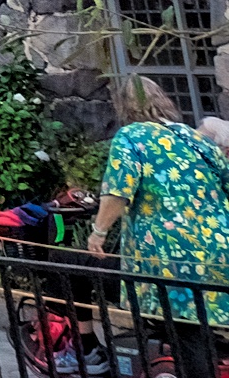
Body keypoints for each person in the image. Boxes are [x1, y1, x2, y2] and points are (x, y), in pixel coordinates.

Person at [90, 76, 229, 378]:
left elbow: (118, 191)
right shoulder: (194, 138)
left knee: (187, 332)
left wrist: (98, 232)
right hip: (220, 247)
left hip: (172, 254)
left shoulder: (132, 136)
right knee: (207, 324)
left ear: (124, 106)